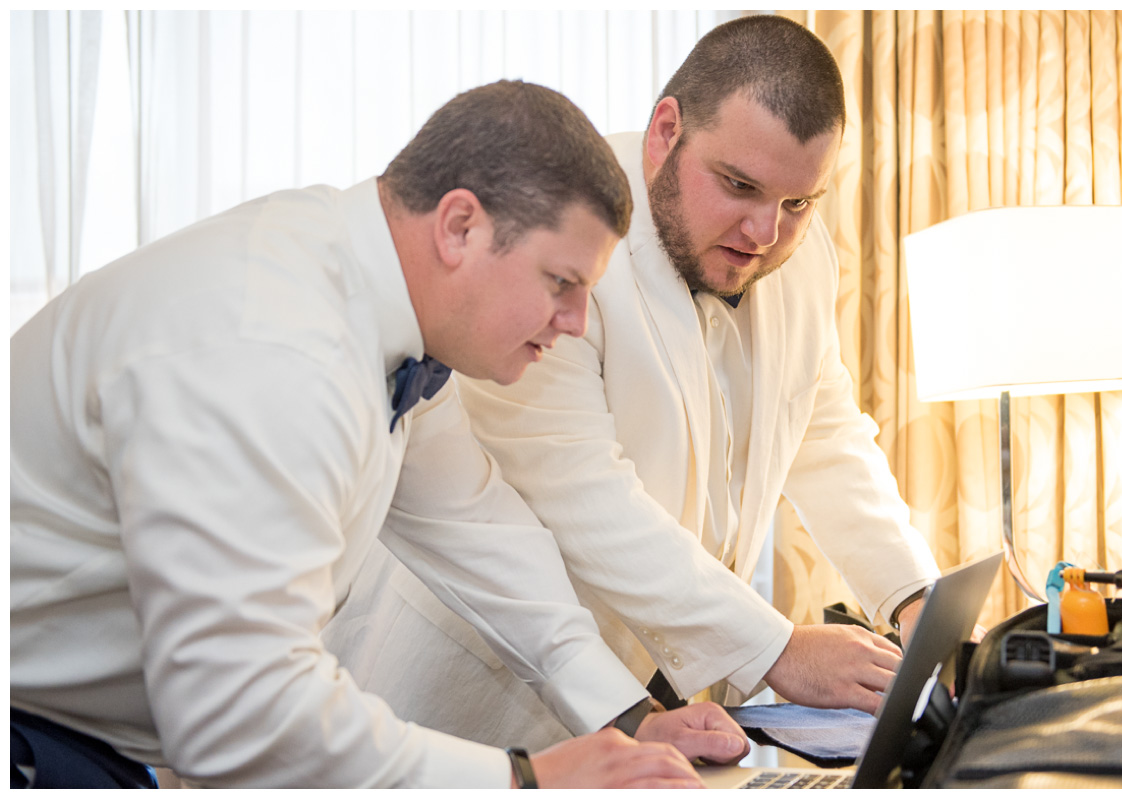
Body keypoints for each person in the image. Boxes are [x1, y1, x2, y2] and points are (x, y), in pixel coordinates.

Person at [9, 80, 750, 789]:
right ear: (460, 226)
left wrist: (626, 721)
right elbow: (238, 714)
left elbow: (479, 529)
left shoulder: (379, 307)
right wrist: (529, 778)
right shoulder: (274, 352)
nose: (578, 322)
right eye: (562, 283)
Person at [323, 15, 944, 753]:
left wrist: (914, 598)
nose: (764, 232)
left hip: (659, 709)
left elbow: (824, 431)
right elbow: (580, 495)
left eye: (798, 203)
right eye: (738, 185)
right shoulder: (559, 242)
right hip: (476, 703)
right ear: (665, 131)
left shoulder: (801, 259)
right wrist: (776, 649)